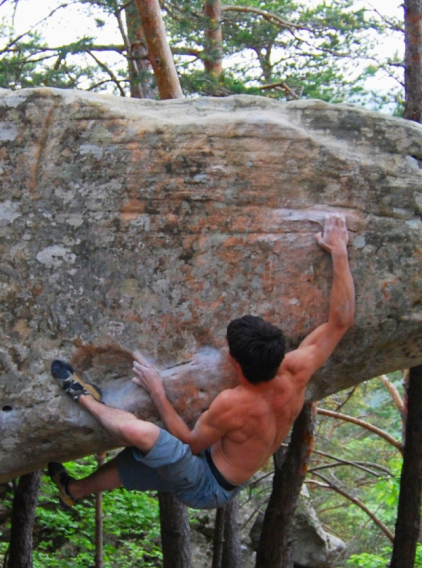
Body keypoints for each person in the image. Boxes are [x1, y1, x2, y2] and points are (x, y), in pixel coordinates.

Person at [47, 213, 355, 510]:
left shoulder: (233, 403)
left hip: (206, 486)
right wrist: (338, 250)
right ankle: (72, 491)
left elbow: (189, 443)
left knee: (147, 437)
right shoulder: (298, 370)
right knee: (150, 460)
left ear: (234, 361)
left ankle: (83, 397)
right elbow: (340, 322)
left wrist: (157, 390)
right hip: (221, 470)